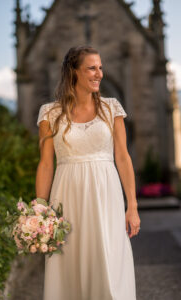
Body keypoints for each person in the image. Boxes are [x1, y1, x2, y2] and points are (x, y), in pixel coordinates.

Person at [36, 45, 141, 300]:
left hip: (106, 195)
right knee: (68, 262)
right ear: (73, 72)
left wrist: (133, 206)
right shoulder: (49, 113)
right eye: (92, 68)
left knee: (109, 259)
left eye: (100, 67)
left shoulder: (111, 108)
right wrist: (39, 210)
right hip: (66, 195)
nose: (99, 74)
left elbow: (123, 158)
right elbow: (46, 164)